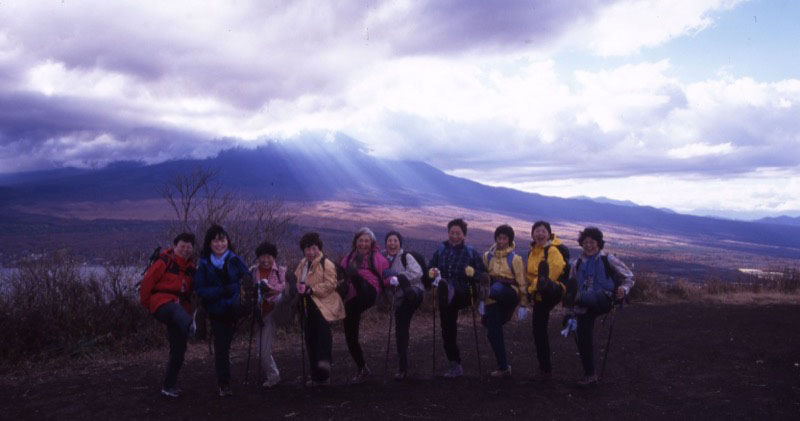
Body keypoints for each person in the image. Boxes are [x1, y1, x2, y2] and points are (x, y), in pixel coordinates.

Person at [565, 226, 634, 387]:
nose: (589, 245)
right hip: (584, 304)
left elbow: (629, 276)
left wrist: (623, 289)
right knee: (583, 337)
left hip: (605, 299)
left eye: (592, 242)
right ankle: (590, 375)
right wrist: (569, 311)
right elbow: (571, 283)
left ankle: (578, 298)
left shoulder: (608, 259)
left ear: (599, 243)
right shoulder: (577, 264)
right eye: (586, 242)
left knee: (590, 296)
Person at [194, 224, 251, 397]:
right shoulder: (203, 264)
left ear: (228, 241)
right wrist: (221, 291)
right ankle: (224, 383)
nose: (220, 244)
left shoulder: (235, 260)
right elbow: (200, 290)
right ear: (209, 243)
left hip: (235, 308)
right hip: (217, 311)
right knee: (222, 346)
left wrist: (240, 294)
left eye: (223, 240)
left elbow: (247, 281)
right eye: (216, 241)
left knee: (225, 344)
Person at [139, 232, 197, 398]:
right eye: (182, 246)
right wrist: (148, 305)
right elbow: (146, 284)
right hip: (161, 304)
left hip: (180, 311)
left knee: (179, 348)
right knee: (175, 310)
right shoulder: (164, 261)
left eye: (189, 247)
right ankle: (192, 327)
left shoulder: (191, 269)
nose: (185, 250)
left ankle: (168, 386)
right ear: (174, 246)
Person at [428, 218, 486, 378]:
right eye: (452, 233)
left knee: (451, 290)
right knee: (447, 330)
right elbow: (430, 266)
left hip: (464, 292)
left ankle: (448, 289)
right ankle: (454, 364)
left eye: (458, 233)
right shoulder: (441, 250)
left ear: (464, 235)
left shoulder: (470, 252)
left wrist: (474, 273)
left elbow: (483, 275)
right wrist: (431, 272)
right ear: (448, 234)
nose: (454, 236)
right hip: (445, 297)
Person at [340, 227, 390, 383]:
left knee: (357, 278)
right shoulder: (348, 258)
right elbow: (342, 275)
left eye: (366, 241)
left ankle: (355, 276)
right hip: (353, 298)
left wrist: (395, 283)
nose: (363, 244)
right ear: (356, 242)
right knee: (350, 333)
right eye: (360, 240)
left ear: (372, 243)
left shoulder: (378, 258)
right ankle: (362, 367)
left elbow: (386, 276)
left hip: (369, 293)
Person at [295, 232, 345, 386]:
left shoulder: (326, 263)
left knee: (322, 340)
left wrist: (312, 289)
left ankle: (324, 375)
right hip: (307, 306)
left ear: (319, 248)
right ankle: (315, 375)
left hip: (323, 307)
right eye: (307, 249)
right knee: (310, 339)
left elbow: (331, 284)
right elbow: (297, 278)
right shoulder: (303, 263)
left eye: (313, 248)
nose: (310, 252)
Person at [481, 224, 527, 378]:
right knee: (492, 332)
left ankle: (487, 295)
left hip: (509, 292)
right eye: (499, 238)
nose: (501, 241)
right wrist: (482, 301)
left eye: (505, 238)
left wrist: (523, 304)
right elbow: (485, 279)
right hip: (492, 296)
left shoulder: (515, 259)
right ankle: (503, 367)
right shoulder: (487, 256)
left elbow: (521, 282)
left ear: (509, 240)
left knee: (497, 288)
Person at [525, 221, 568, 381]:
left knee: (547, 282)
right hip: (538, 293)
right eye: (537, 231)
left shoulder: (553, 250)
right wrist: (529, 290)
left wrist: (532, 288)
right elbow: (529, 275)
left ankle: (545, 368)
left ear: (549, 234)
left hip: (555, 289)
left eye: (543, 231)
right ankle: (544, 368)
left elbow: (555, 273)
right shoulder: (533, 252)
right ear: (532, 234)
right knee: (538, 329)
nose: (540, 234)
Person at [381, 230, 424, 381]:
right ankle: (402, 367)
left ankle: (403, 368)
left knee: (401, 328)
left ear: (400, 243)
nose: (392, 244)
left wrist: (399, 279)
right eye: (389, 241)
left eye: (395, 241)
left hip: (414, 293)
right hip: (398, 299)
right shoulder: (382, 257)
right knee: (401, 329)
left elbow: (417, 273)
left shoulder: (406, 256)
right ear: (385, 243)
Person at [251, 241, 286, 388]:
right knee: (260, 350)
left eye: (269, 257)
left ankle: (273, 376)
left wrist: (268, 289)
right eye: (262, 257)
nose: (266, 260)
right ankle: (273, 374)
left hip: (273, 312)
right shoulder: (252, 271)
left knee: (263, 352)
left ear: (274, 257)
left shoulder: (281, 271)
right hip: (258, 313)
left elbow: (284, 288)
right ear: (258, 257)